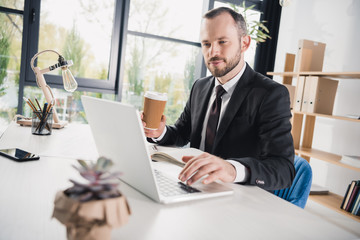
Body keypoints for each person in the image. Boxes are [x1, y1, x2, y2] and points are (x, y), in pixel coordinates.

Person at [143, 7, 295, 191]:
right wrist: (159, 133)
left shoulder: (270, 94)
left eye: (222, 42)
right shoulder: (200, 86)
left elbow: (283, 169)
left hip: (233, 196)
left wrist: (231, 169)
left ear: (245, 43)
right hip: (190, 184)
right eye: (206, 44)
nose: (212, 52)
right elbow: (182, 133)